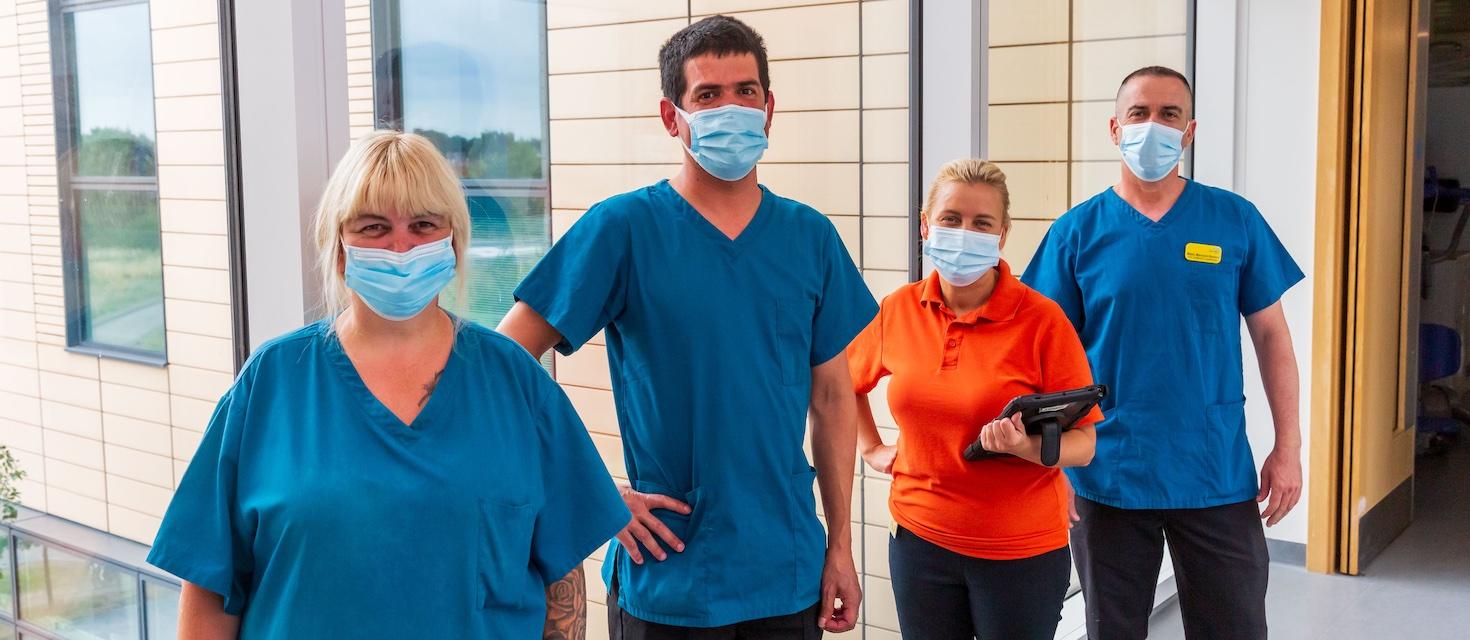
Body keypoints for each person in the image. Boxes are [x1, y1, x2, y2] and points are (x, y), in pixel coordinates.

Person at [147, 131, 631, 639]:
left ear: (454, 241)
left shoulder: (515, 384)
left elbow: (561, 582)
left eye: (423, 224)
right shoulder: (271, 385)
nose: (401, 247)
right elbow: (210, 588)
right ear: (339, 247)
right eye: (374, 227)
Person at [496, 15, 876, 638]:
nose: (731, 107)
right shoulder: (622, 230)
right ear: (673, 117)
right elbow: (504, 360)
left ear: (769, 108)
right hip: (669, 576)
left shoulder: (809, 238)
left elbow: (833, 398)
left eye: (745, 91)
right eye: (707, 95)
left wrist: (840, 546)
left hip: (786, 570)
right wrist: (596, 492)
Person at [1022, 66, 1305, 640]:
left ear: (1190, 130)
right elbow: (1041, 357)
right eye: (1139, 113)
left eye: (1169, 115)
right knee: (1112, 630)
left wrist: (1288, 447)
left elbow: (1273, 335)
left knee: (1235, 627)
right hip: (1107, 469)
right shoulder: (1077, 232)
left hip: (1214, 469)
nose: (1154, 126)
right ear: (1114, 127)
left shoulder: (1233, 220)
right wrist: (1048, 462)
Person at [846, 159, 1100, 639]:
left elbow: (1084, 442)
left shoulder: (1042, 321)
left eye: (982, 223)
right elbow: (845, 385)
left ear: (1002, 235)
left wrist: (1026, 448)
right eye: (951, 218)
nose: (965, 233)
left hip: (1020, 553)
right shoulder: (899, 308)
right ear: (926, 225)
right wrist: (871, 448)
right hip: (918, 542)